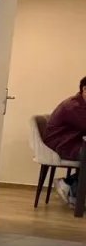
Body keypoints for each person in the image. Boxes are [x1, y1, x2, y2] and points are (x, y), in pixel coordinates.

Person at [44, 75, 86, 205]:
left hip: (73, 142)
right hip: (62, 144)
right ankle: (70, 186)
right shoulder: (75, 106)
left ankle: (71, 185)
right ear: (84, 89)